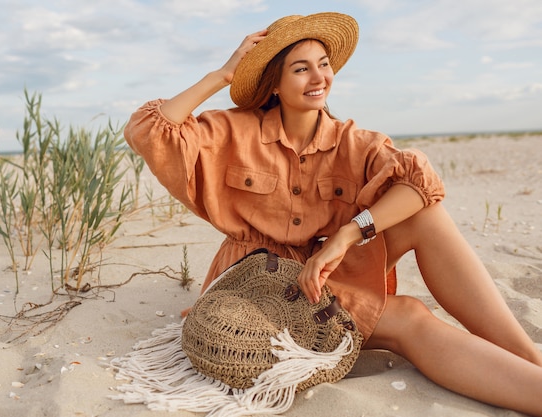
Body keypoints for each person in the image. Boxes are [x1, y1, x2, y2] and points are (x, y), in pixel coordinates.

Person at [123, 12, 542, 416]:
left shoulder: (350, 140)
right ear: (275, 83)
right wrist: (225, 74)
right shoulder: (234, 130)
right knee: (410, 315)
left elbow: (421, 181)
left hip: (324, 271)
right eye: (301, 69)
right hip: (259, 284)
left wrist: (346, 236)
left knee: (424, 215)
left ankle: (525, 355)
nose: (319, 77)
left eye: (323, 65)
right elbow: (148, 129)